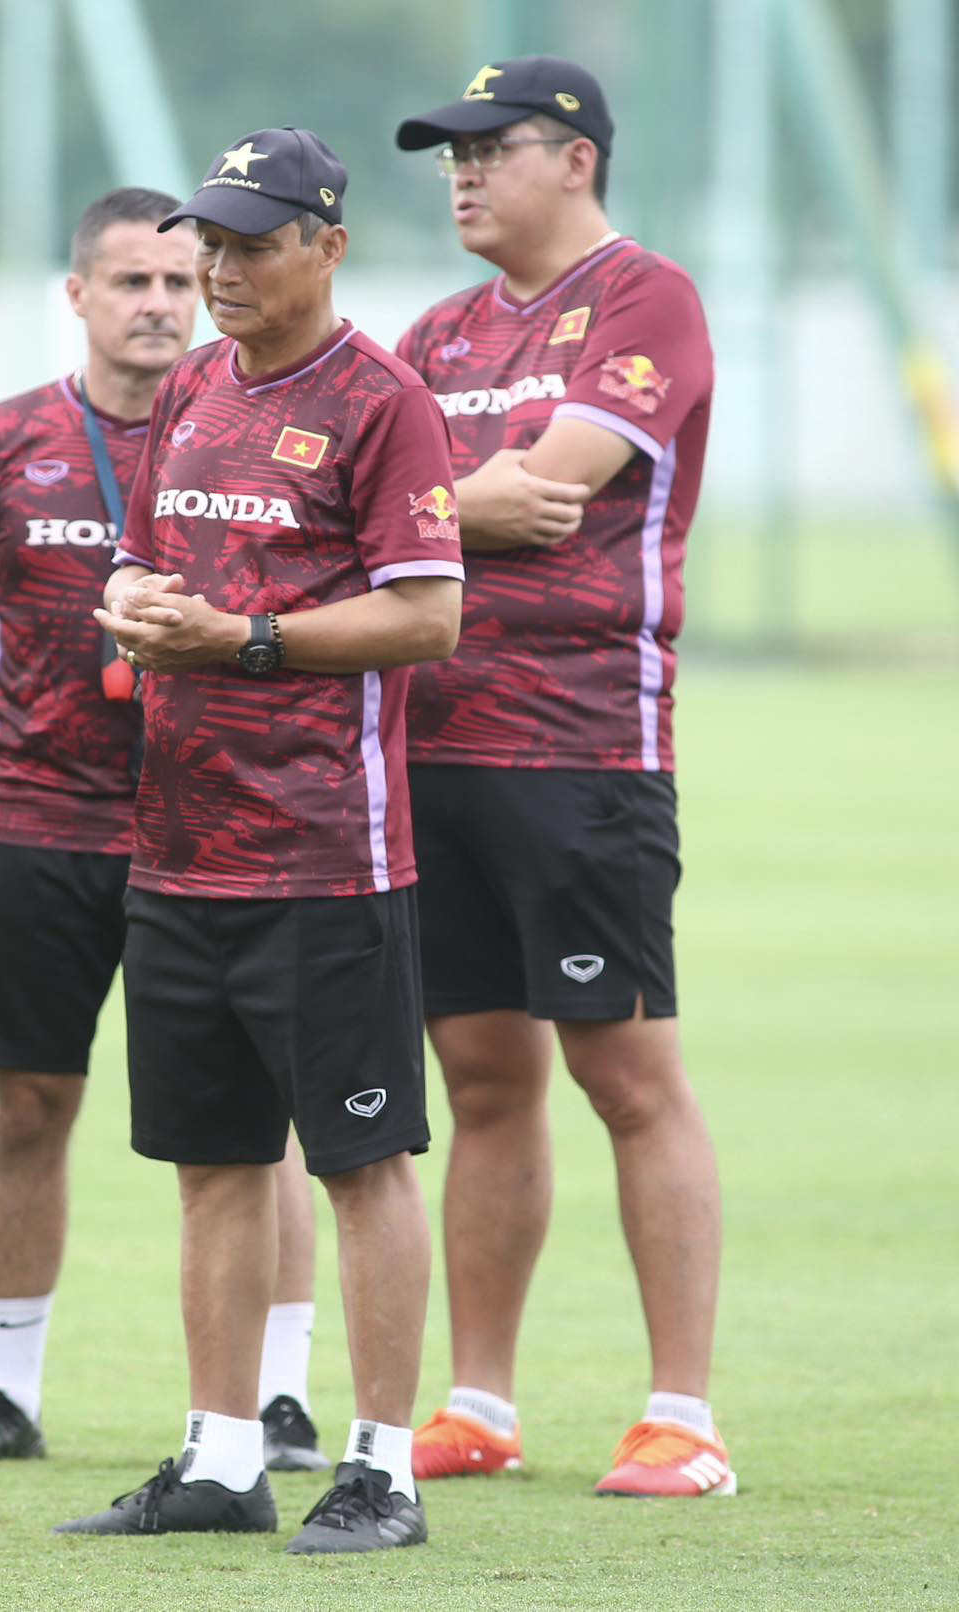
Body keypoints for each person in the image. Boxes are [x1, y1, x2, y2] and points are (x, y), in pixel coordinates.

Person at [60, 127, 464, 1555]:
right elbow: (143, 558)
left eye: (249, 245)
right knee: (214, 1164)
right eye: (210, 244)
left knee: (361, 1165)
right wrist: (129, 601)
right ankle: (222, 1458)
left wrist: (244, 639)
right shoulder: (192, 388)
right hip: (177, 848)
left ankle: (382, 1471)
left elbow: (429, 614)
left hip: (324, 855)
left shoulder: (382, 402)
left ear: (327, 247)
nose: (219, 272)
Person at [0, 186, 328, 1472]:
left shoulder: (255, 434)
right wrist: (8, 739)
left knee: (257, 1120)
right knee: (23, 1103)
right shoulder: (0, 442)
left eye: (175, 280)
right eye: (129, 281)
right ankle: (6, 1394)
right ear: (77, 294)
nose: (156, 303)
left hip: (217, 831)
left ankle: (280, 1398)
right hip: (36, 823)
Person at [391, 58, 730, 1498]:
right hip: (429, 748)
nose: (462, 174)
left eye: (490, 148)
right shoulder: (436, 330)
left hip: (582, 753)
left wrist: (430, 508)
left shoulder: (644, 297)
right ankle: (479, 1404)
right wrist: (455, 503)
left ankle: (683, 1419)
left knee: (625, 1073)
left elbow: (559, 481)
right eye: (449, 156)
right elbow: (387, 503)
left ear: (575, 158)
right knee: (480, 1078)